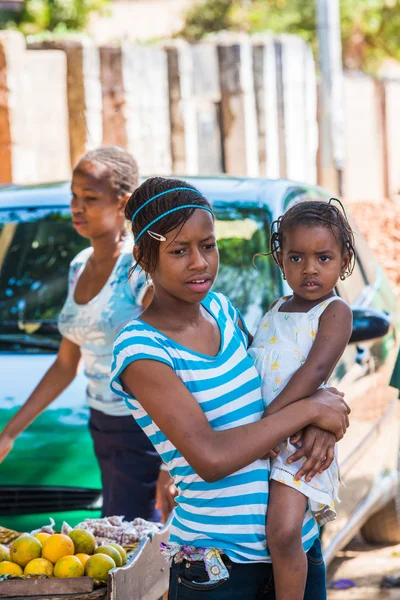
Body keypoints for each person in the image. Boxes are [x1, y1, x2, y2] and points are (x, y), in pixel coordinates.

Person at [109, 177, 350, 599]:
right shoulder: (142, 349)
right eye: (179, 251)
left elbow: (283, 381)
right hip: (217, 571)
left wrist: (321, 423)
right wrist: (309, 412)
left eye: (208, 245)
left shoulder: (221, 311)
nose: (200, 262)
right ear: (144, 257)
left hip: (296, 551)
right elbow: (212, 458)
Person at [0, 146, 161, 522]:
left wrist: (173, 459)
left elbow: (173, 357)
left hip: (144, 428)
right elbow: (65, 364)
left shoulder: (138, 270)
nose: (77, 207)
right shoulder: (77, 267)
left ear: (123, 204)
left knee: (137, 549)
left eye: (90, 198)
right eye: (74, 196)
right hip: (102, 425)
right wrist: (10, 433)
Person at [248, 199, 355, 600]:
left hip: (295, 445)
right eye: (297, 257)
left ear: (344, 260)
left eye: (323, 257)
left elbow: (312, 374)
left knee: (283, 531)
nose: (309, 268)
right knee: (262, 533)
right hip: (265, 437)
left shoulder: (335, 311)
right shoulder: (275, 308)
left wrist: (269, 425)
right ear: (280, 258)